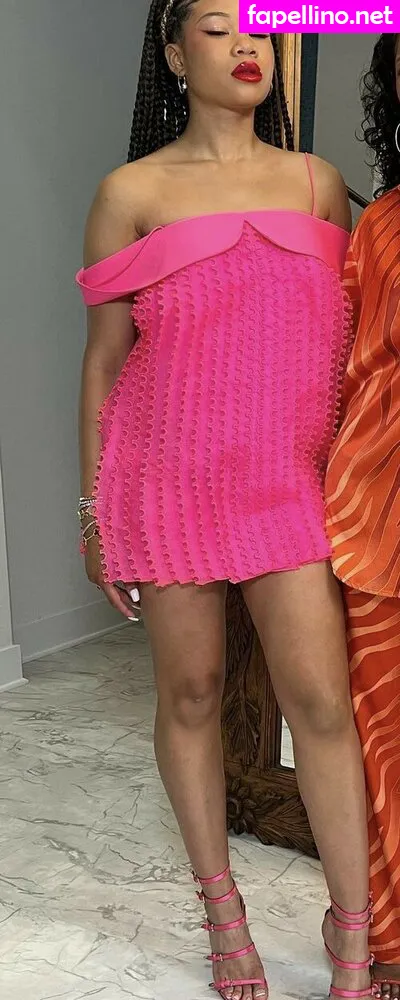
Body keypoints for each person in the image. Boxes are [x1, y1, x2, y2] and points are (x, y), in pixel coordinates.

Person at [76, 2, 373, 998]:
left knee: (320, 704)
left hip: (289, 487)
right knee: (193, 695)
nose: (248, 43)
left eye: (261, 26)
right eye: (216, 25)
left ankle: (352, 927)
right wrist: (95, 512)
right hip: (166, 484)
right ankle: (222, 915)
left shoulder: (317, 183)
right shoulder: (130, 191)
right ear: (172, 53)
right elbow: (104, 365)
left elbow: (344, 346)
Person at [326, 31, 400, 1000]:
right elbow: (345, 368)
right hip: (375, 508)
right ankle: (388, 937)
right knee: (382, 739)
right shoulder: (377, 224)